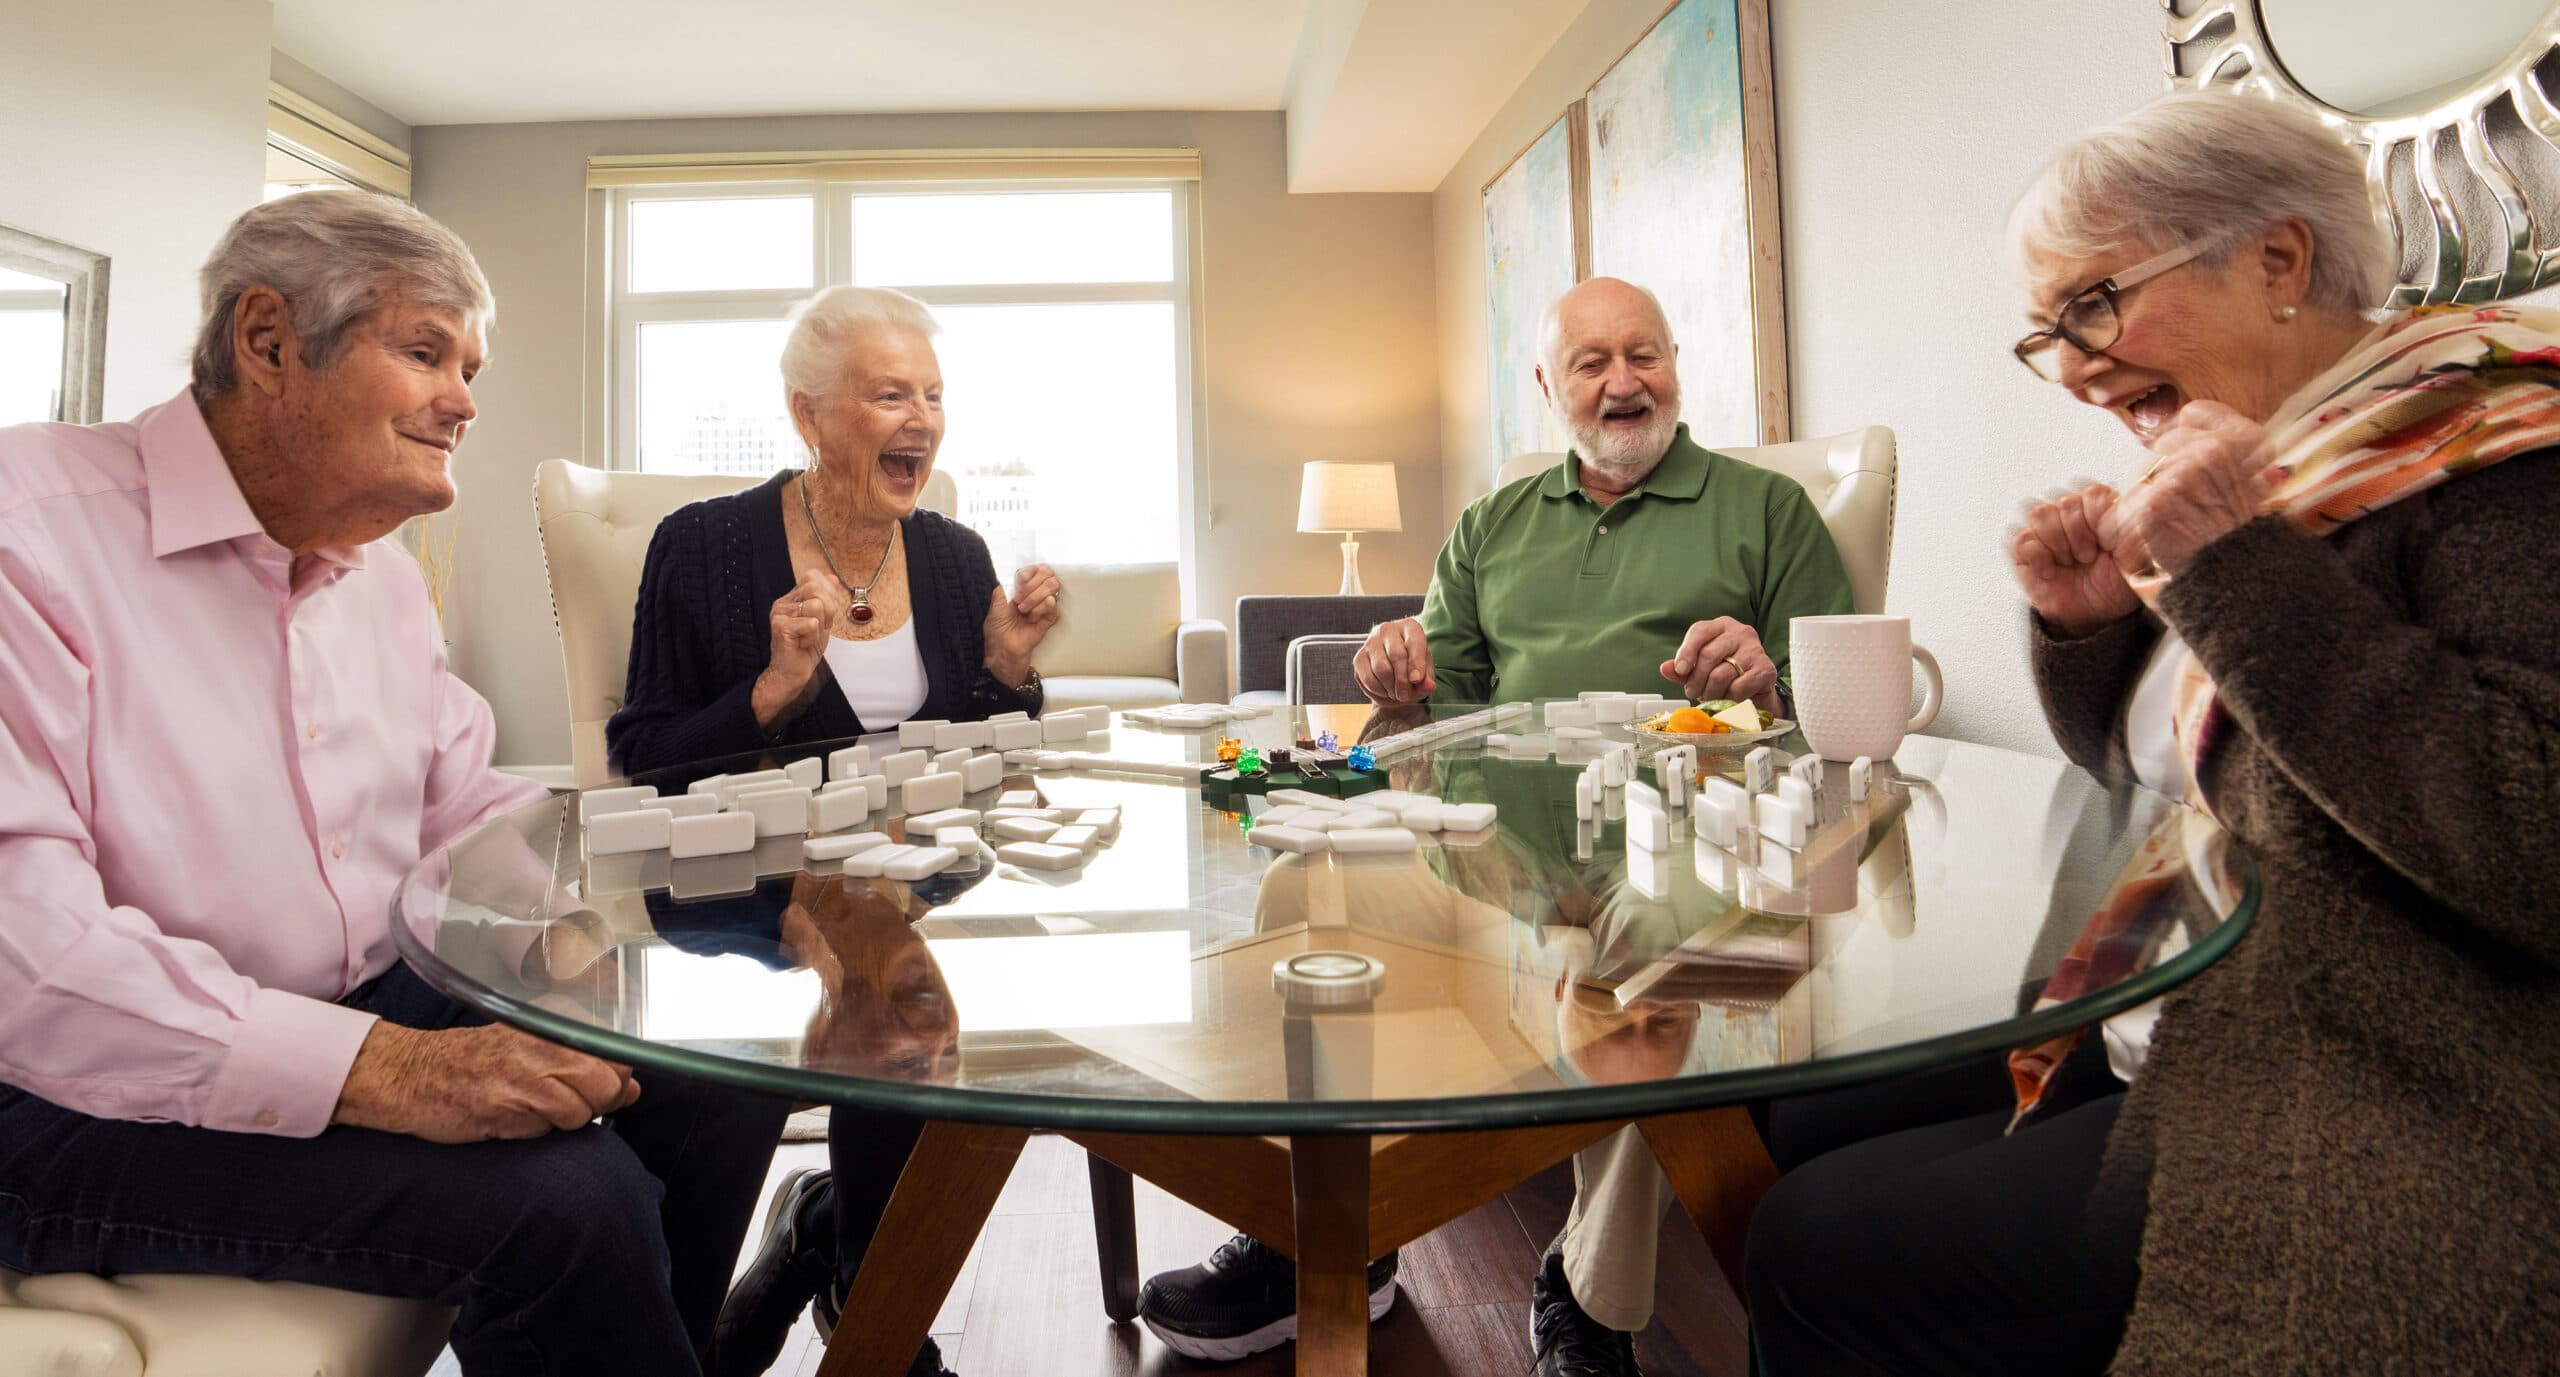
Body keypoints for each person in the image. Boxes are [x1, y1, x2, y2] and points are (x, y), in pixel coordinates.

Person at [1745, 90, 2560, 1375]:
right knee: (1802, 1111)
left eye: (2092, 306)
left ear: (2279, 260)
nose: (2070, 366)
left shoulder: (2498, 456)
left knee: (1812, 1239)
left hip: (2369, 1068)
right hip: (2180, 988)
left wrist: (2230, 565)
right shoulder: (2284, 462)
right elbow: (2178, 766)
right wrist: (2092, 635)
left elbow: (2531, 839)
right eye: (2044, 335)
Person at [0, 191, 789, 1375]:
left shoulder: (372, 576)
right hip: (59, 1091)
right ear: (268, 342)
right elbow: (37, 966)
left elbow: (459, 806)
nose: (466, 401)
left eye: (468, 366)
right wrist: (388, 1071)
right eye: (425, 352)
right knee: (565, 1207)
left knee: (715, 1064)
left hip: (356, 1001)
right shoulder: (28, 532)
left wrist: (605, 905)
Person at [1138, 276, 1854, 1375]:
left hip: (1682, 857)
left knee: (1660, 961)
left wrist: (1774, 676)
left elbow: (1845, 707)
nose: (1623, 383)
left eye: (1644, 355)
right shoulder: (1492, 523)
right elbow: (1429, 711)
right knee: (1305, 889)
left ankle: (1588, 1293)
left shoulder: (1765, 511)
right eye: (1591, 363)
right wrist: (1399, 675)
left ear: (1674, 364)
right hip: (1492, 856)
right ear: (1547, 387)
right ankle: (1331, 1235)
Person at [615, 286, 1060, 1377]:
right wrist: (770, 692)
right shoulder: (705, 545)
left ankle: (865, 1289)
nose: (921, 418)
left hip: (917, 868)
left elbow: (985, 759)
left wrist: (1006, 672)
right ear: (808, 414)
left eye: (933, 395)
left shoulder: (954, 556)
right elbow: (647, 752)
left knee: (923, 991)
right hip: (741, 876)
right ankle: (794, 1308)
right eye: (888, 394)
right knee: (877, 988)